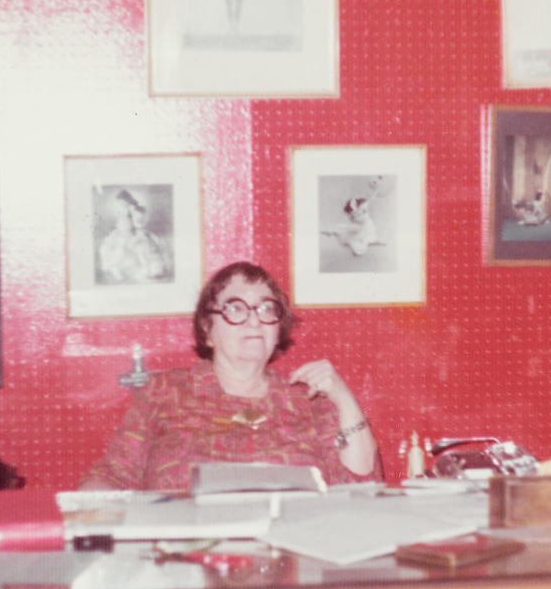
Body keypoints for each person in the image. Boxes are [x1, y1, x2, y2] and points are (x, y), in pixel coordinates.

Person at [80, 261, 379, 490]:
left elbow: (362, 486)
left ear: (278, 327)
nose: (253, 320)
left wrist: (343, 396)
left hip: (290, 558)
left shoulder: (308, 399)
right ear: (208, 331)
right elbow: (111, 478)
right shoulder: (166, 392)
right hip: (187, 559)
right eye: (235, 309)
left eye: (266, 308)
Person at [96, 189, 172, 284]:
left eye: (125, 205)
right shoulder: (121, 217)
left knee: (144, 248)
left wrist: (135, 227)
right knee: (114, 249)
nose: (123, 208)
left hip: (135, 234)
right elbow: (120, 228)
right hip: (122, 235)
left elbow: (139, 223)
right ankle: (118, 270)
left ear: (129, 203)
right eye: (120, 205)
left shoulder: (135, 211)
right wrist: (122, 232)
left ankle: (146, 268)